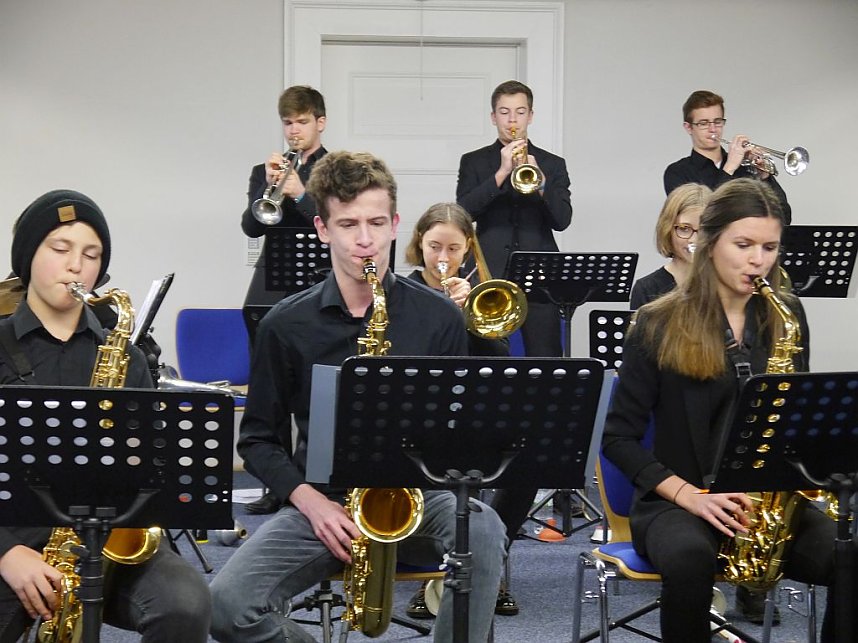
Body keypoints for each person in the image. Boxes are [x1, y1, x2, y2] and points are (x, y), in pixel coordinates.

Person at [209, 152, 507, 643]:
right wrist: (309, 502)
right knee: (224, 608)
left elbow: (459, 432)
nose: (364, 239)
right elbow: (259, 440)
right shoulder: (285, 323)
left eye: (374, 222)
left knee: (485, 528)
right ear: (323, 229)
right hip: (322, 502)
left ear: (394, 225)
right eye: (348, 224)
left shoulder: (440, 318)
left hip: (420, 495)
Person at [602, 178, 856, 643]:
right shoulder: (657, 321)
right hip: (677, 502)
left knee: (851, 551)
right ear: (709, 241)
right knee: (689, 558)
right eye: (743, 244)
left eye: (769, 246)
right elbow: (617, 438)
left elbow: (794, 421)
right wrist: (691, 496)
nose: (758, 259)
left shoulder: (786, 316)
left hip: (764, 504)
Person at [0, 189, 211, 642]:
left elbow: (151, 469)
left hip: (105, 539)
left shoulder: (126, 358)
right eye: (60, 249)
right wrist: (6, 552)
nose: (77, 265)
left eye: (91, 255)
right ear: (27, 257)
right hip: (11, 539)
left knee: (186, 603)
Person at [401, 202, 532, 618]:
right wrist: (440, 316)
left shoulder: (479, 291)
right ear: (418, 242)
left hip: (472, 409)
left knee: (525, 465)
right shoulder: (401, 293)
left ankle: (491, 568)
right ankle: (432, 581)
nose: (443, 258)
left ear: (468, 249)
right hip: (419, 417)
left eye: (454, 249)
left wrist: (467, 319)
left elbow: (499, 359)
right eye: (434, 246)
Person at [240, 85, 328, 515]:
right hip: (271, 286)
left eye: (302, 121)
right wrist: (271, 185)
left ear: (320, 123)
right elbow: (251, 227)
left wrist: (297, 191)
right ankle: (274, 485)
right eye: (288, 123)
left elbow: (331, 221)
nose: (294, 130)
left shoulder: (335, 169)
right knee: (269, 390)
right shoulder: (267, 168)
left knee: (313, 387)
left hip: (318, 281)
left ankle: (315, 479)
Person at [457, 79, 573, 358]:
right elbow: (463, 213)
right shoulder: (473, 161)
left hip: (541, 275)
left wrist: (541, 182)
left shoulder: (553, 163)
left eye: (520, 112)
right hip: (489, 273)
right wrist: (501, 173)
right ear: (493, 117)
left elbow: (562, 220)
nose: (512, 119)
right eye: (504, 112)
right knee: (487, 357)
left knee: (546, 360)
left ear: (530, 116)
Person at [663, 89, 791, 224]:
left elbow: (784, 217)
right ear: (688, 128)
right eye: (704, 123)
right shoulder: (677, 172)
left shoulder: (745, 169)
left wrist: (765, 177)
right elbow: (704, 220)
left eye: (717, 121)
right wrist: (729, 168)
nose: (713, 129)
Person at [629, 184, 712, 310]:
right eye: (684, 229)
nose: (694, 239)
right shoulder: (647, 289)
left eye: (704, 229)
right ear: (667, 229)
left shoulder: (725, 284)